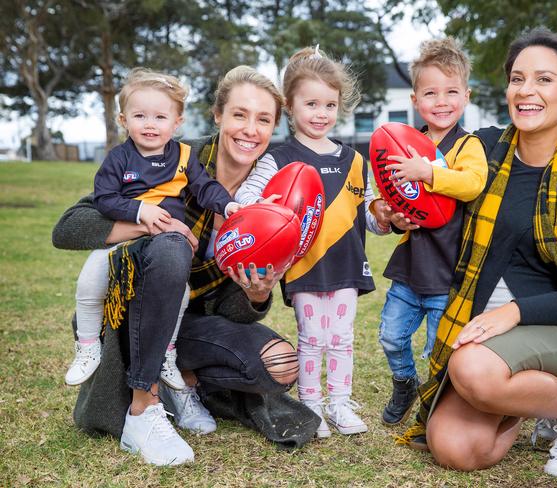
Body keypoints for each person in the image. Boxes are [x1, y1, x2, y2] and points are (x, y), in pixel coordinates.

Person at [398, 28, 557, 479]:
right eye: (517, 78)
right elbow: (427, 193)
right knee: (455, 448)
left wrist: (514, 312)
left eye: (544, 80)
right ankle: (536, 406)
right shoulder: (482, 149)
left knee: (472, 369)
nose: (526, 91)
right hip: (484, 333)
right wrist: (393, 211)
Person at [52, 66, 315, 466]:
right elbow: (69, 227)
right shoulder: (172, 155)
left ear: (274, 127)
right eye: (239, 115)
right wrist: (152, 219)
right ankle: (144, 404)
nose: (249, 129)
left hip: (190, 325)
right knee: (173, 246)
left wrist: (256, 293)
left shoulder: (268, 197)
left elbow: (231, 313)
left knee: (279, 366)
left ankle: (185, 383)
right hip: (134, 314)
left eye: (263, 119)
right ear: (218, 116)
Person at [236, 46, 392, 438]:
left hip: (346, 265)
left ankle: (339, 402)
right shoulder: (278, 158)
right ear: (289, 105)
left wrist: (384, 217)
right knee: (311, 338)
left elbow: (369, 215)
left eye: (330, 104)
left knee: (341, 339)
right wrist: (261, 206)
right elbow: (245, 199)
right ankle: (312, 405)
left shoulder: (355, 159)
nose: (321, 113)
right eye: (311, 103)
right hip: (304, 264)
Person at [65, 68, 239, 391]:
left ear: (177, 122)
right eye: (139, 115)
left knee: (180, 294)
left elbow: (206, 189)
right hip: (123, 243)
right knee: (90, 280)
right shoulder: (118, 159)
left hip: (164, 247)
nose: (149, 124)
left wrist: (228, 206)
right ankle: (88, 346)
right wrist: (140, 211)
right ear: (123, 119)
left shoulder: (185, 157)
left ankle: (166, 354)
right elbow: (104, 199)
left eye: (160, 117)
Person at [377, 38, 487, 426]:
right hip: (410, 266)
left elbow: (472, 183)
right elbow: (390, 195)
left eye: (451, 92)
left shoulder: (469, 145)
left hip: (448, 271)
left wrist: (429, 173)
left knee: (438, 351)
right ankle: (404, 383)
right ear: (415, 99)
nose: (441, 101)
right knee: (391, 336)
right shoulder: (403, 145)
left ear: (466, 96)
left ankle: (434, 406)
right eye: (430, 93)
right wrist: (393, 217)